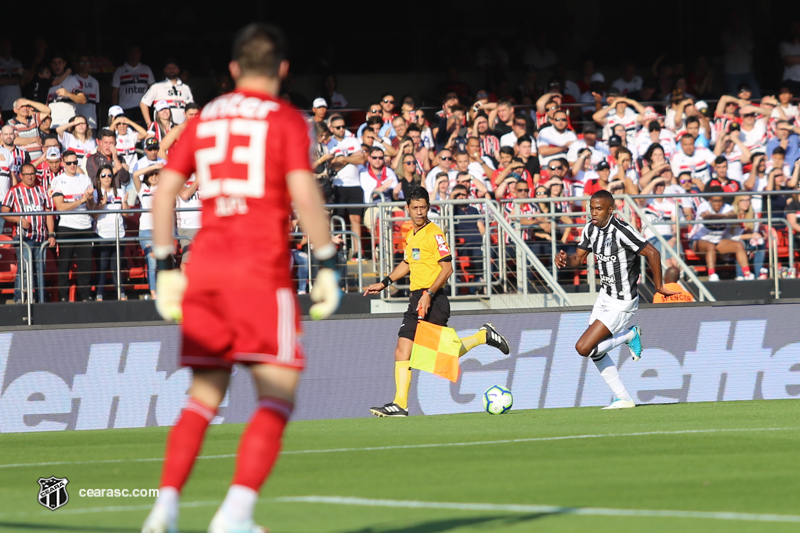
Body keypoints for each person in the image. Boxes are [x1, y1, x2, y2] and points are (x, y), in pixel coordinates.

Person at [140, 24, 341, 533]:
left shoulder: (205, 115)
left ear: (232, 69)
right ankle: (235, 515)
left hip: (204, 270)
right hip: (260, 273)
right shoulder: (286, 120)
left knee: (203, 398)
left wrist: (165, 267)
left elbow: (164, 195)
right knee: (276, 396)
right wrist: (325, 262)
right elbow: (304, 194)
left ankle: (163, 509)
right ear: (283, 70)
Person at [363, 186, 510, 417]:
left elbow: (447, 267)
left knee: (442, 356)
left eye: (423, 207)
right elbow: (408, 263)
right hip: (417, 298)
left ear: (428, 207)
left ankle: (483, 336)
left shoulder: (435, 233)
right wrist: (384, 282)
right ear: (407, 209)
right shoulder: (411, 235)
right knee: (402, 351)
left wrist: (429, 294)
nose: (419, 212)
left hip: (432, 298)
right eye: (415, 208)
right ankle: (400, 404)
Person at [555, 190, 677, 409]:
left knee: (584, 347)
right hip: (605, 297)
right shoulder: (590, 229)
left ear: (610, 210)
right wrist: (566, 261)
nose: (594, 212)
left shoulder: (622, 230)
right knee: (595, 350)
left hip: (622, 302)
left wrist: (658, 286)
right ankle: (624, 398)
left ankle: (630, 335)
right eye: (591, 208)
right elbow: (578, 259)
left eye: (599, 209)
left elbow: (653, 254)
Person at [1, 163, 56, 303]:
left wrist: (51, 234)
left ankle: (40, 299)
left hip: (41, 236)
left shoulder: (42, 190)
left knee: (40, 270)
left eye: (33, 174)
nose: (31, 177)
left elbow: (49, 213)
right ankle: (19, 298)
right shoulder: (14, 191)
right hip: (23, 237)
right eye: (27, 174)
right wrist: (18, 219)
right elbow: (4, 212)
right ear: (21, 176)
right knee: (24, 269)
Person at [50, 149, 95, 302]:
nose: (72, 165)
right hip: (67, 227)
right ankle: (63, 296)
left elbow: (91, 206)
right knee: (64, 264)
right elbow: (60, 207)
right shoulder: (58, 180)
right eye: (69, 163)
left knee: (85, 265)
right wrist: (81, 201)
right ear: (63, 163)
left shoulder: (85, 179)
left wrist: (88, 199)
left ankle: (85, 296)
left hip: (85, 226)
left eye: (75, 162)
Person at [92, 164, 128, 301]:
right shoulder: (95, 192)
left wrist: (125, 203)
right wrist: (103, 203)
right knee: (102, 266)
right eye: (103, 175)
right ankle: (99, 295)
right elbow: (94, 215)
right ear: (99, 178)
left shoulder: (120, 190)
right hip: (102, 234)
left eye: (109, 175)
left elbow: (127, 214)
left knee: (116, 267)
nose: (107, 178)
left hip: (119, 234)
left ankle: (121, 295)